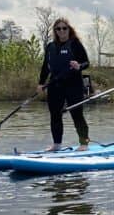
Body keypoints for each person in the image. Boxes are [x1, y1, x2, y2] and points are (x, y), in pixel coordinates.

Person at [38, 18, 90, 151]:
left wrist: (79, 66)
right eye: (58, 29)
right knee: (55, 115)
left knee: (77, 114)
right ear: (55, 31)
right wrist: (41, 83)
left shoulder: (75, 44)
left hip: (74, 85)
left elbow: (86, 62)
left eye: (64, 28)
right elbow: (45, 67)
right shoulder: (50, 47)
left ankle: (84, 144)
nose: (61, 31)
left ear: (69, 29)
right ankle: (57, 144)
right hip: (55, 85)